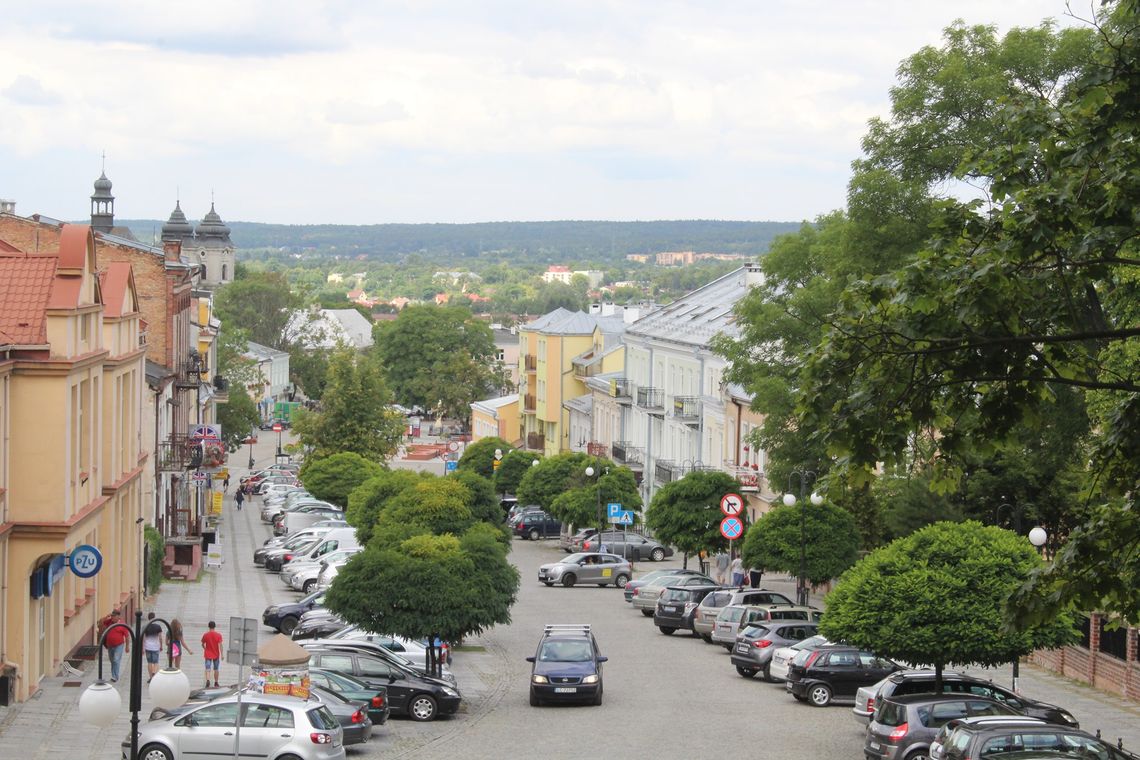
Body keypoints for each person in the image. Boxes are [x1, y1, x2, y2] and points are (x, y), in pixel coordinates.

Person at [101, 608, 129, 683]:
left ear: (118, 617)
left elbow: (127, 636)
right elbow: (102, 622)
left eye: (114, 616)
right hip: (110, 645)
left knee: (116, 660)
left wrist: (127, 646)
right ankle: (114, 674)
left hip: (119, 645)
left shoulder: (122, 624)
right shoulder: (109, 622)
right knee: (112, 660)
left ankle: (115, 676)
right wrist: (107, 616)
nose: (112, 617)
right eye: (112, 616)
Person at [142, 612, 163, 683]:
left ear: (148, 618)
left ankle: (151, 677)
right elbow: (160, 637)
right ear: (154, 618)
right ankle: (154, 672)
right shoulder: (158, 627)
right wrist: (161, 645)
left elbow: (143, 639)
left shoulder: (145, 626)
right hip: (155, 646)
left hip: (148, 647)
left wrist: (143, 648)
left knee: (149, 662)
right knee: (156, 662)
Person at [201, 620, 223, 688]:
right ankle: (216, 682)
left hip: (208, 654)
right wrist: (222, 654)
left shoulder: (205, 635)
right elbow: (220, 645)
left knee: (208, 668)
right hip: (216, 654)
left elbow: (202, 644)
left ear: (209, 627)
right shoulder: (218, 635)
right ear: (214, 627)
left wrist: (205, 649)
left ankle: (208, 681)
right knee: (216, 669)